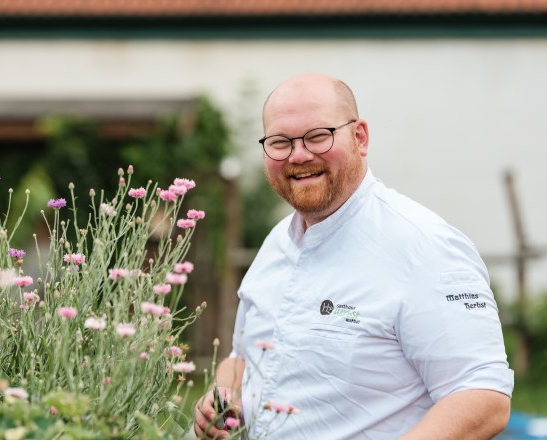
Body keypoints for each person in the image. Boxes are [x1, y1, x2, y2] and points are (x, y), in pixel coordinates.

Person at [193, 73, 514, 439]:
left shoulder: (425, 246)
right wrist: (223, 398)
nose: (299, 155)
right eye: (280, 142)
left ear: (360, 137)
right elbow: (242, 356)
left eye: (318, 136)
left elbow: (482, 397)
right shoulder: (276, 244)